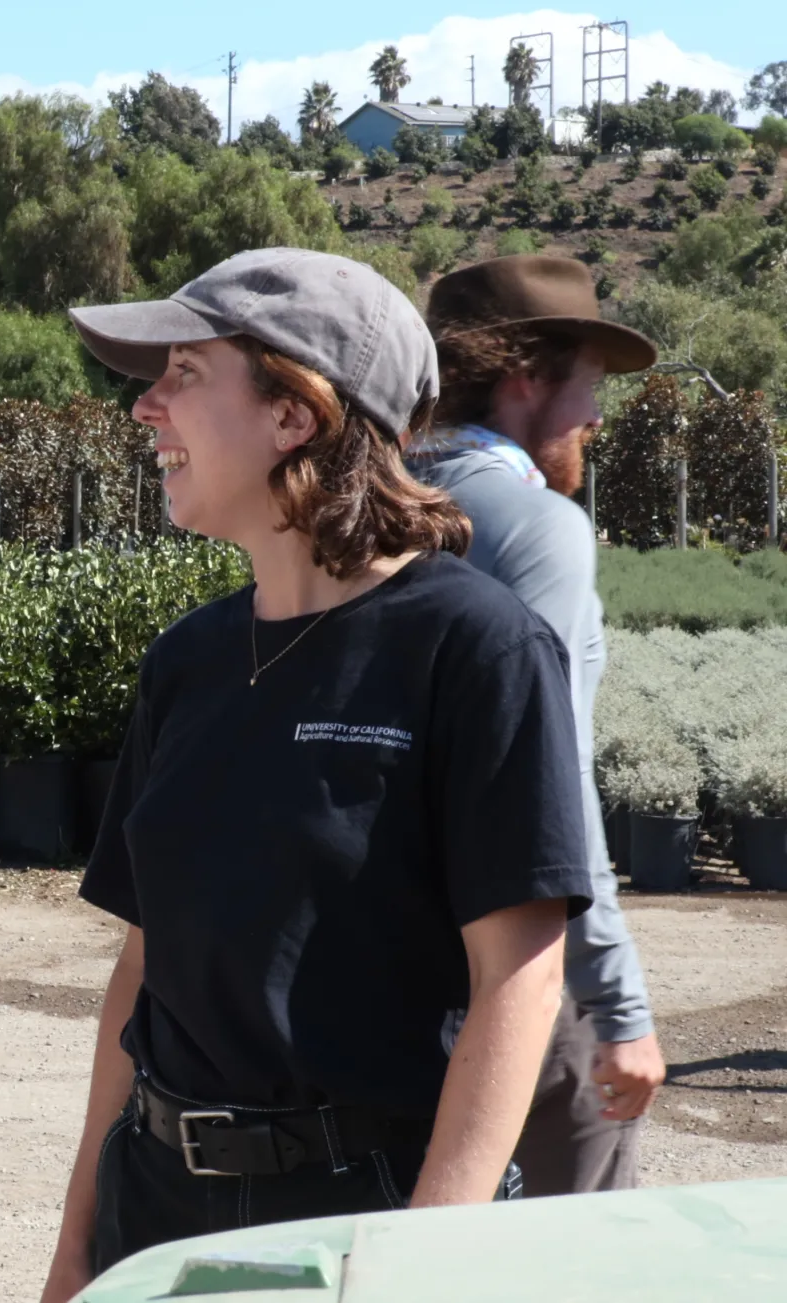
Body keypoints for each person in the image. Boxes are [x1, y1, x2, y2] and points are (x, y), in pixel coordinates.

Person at [40, 248, 593, 1300]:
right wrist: (76, 1253)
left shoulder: (475, 646)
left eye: (184, 373)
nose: (145, 408)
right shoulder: (188, 662)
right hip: (157, 1211)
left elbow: (517, 983)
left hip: (364, 1217)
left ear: (295, 414)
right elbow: (142, 968)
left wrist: (419, 1268)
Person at [410, 254, 666, 1195]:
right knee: (577, 1247)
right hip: (515, 955)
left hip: (376, 959)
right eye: (589, 383)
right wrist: (618, 1005)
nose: (597, 413)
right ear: (525, 376)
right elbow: (546, 785)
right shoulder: (532, 526)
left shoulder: (361, 511)